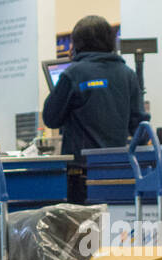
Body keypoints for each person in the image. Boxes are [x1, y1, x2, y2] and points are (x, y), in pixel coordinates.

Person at [42, 15, 147, 156]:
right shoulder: (128, 74)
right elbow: (141, 130)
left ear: (77, 44)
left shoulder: (73, 73)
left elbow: (51, 118)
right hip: (117, 166)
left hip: (81, 168)